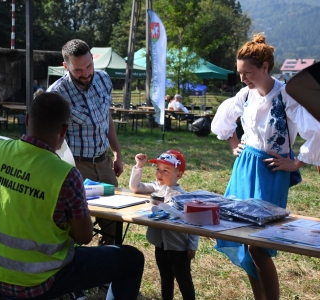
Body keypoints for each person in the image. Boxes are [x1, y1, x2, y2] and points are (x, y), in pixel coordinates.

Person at [0, 92, 144, 300]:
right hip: (37, 280)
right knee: (131, 259)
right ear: (64, 130)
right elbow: (84, 236)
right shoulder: (66, 176)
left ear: (27, 120)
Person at [211, 33, 320, 300]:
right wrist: (234, 142)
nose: (243, 78)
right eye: (239, 73)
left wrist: (296, 161)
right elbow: (224, 118)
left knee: (259, 243)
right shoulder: (245, 95)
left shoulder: (286, 96)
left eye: (248, 72)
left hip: (271, 172)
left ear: (265, 67)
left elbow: (315, 130)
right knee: (243, 235)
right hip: (245, 167)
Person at [47, 39, 123, 245]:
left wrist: (117, 153)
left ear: (93, 59)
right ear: (66, 67)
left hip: (103, 163)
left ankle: (107, 271)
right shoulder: (56, 94)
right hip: (74, 167)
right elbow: (49, 138)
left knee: (113, 226)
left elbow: (106, 119)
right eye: (78, 70)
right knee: (75, 228)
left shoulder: (104, 80)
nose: (86, 73)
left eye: (89, 66)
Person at [129, 150, 198, 300]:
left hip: (179, 247)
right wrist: (139, 166)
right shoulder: (156, 188)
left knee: (184, 279)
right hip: (160, 245)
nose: (160, 174)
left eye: (166, 170)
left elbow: (193, 222)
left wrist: (192, 245)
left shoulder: (182, 197)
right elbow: (135, 187)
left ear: (178, 175)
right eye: (158, 169)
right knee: (165, 278)